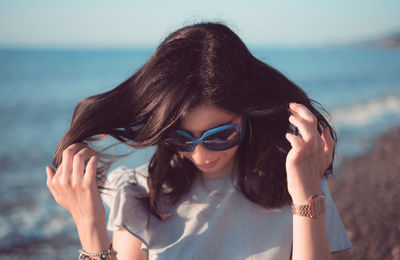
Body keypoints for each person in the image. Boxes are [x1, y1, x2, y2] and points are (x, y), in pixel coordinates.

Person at [46, 22, 352, 259]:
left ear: (247, 116)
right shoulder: (140, 192)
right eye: (179, 139)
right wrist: (90, 226)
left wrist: (305, 196)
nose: (202, 154)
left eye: (220, 136)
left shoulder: (298, 183)